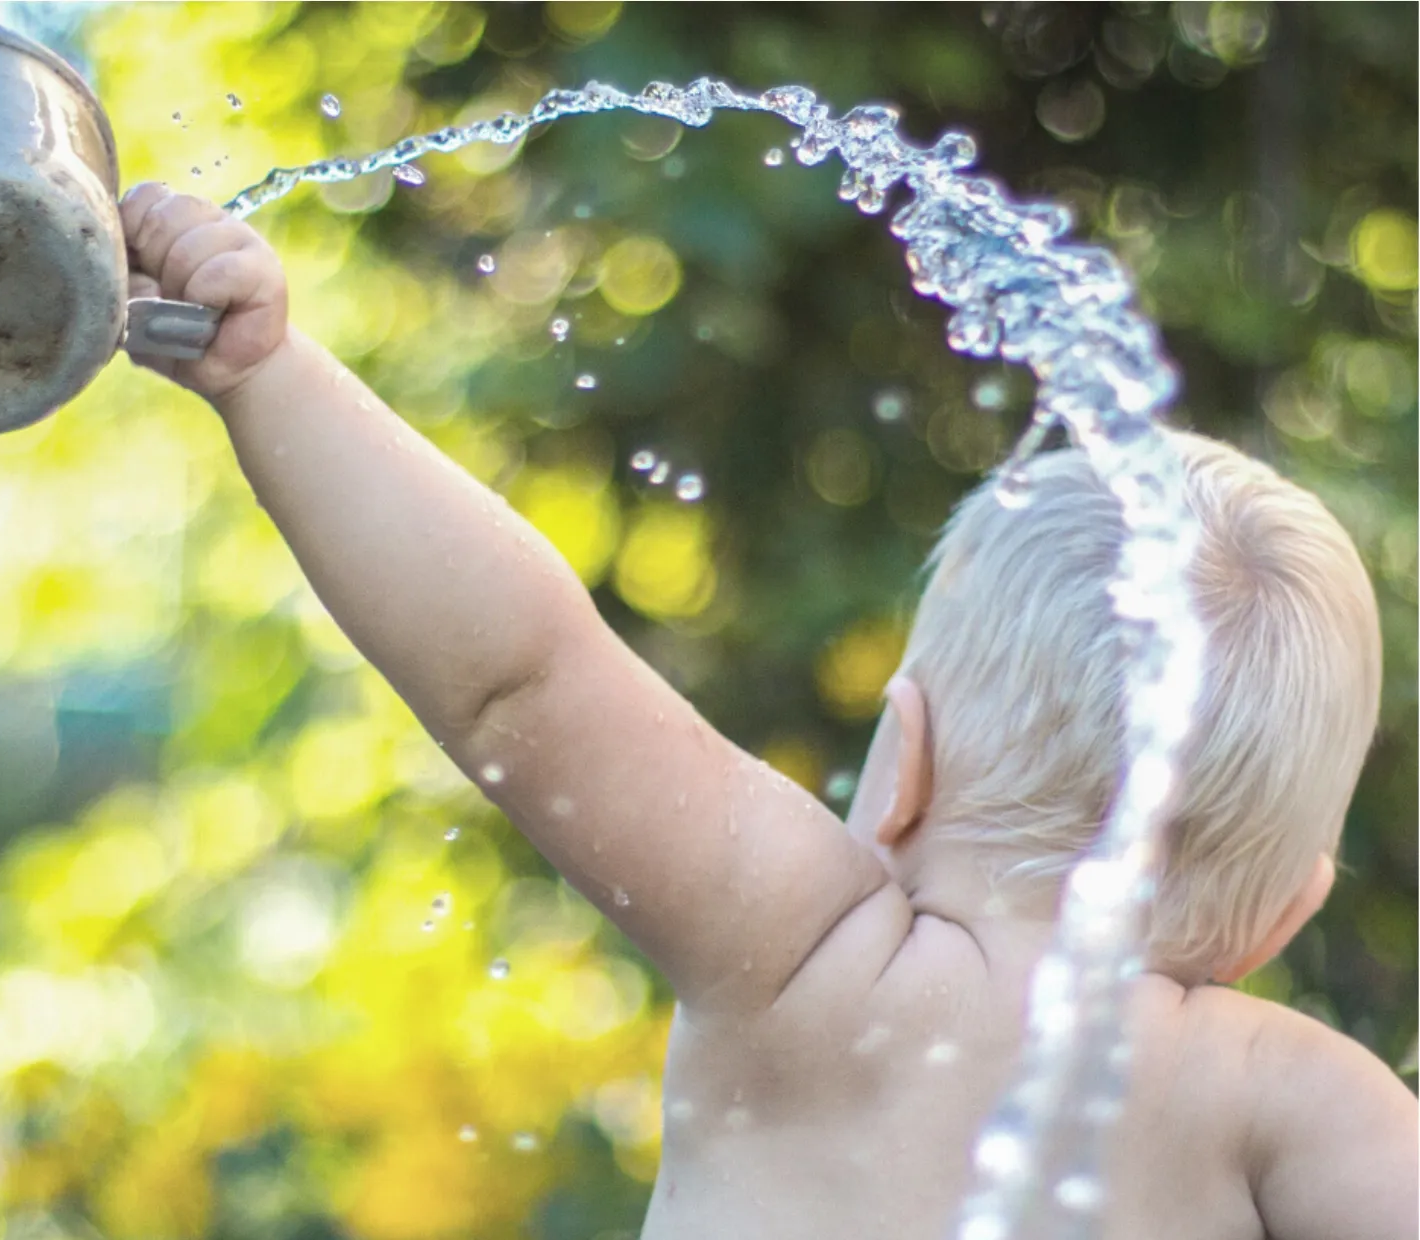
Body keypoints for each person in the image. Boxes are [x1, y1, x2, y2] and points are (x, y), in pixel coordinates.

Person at [119, 183, 1418, 1240]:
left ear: (901, 758)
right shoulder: (1296, 1107)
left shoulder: (810, 961)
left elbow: (521, 682)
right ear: (1285, 914)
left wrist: (267, 372)